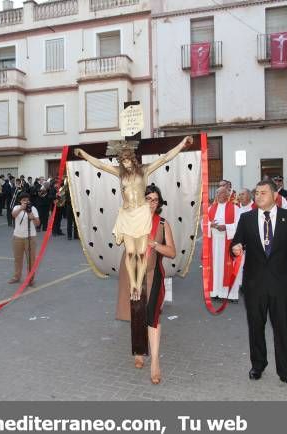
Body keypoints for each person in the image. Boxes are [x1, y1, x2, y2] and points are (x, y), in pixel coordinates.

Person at [74, 136, 191, 299]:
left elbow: (165, 157)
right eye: (122, 160)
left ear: (133, 159)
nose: (125, 163)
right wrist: (83, 154)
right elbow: (100, 164)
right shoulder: (119, 173)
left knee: (141, 252)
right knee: (130, 252)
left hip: (142, 214)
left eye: (127, 160)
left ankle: (138, 283)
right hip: (127, 215)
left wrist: (182, 144)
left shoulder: (144, 170)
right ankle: (134, 286)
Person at [231, 180, 287, 393]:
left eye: (263, 193)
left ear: (275, 196)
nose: (258, 196)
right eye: (256, 193)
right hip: (254, 284)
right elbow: (236, 243)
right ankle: (258, 365)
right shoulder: (246, 218)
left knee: (282, 329)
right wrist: (236, 248)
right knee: (256, 327)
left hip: (281, 284)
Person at [116, 185, 176, 384]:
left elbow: (172, 252)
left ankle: (155, 362)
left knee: (152, 316)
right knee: (135, 313)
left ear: (159, 203)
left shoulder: (162, 224)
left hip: (152, 275)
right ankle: (139, 351)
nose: (152, 202)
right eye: (148, 198)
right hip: (131, 273)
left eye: (155, 199)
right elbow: (120, 241)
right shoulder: (131, 219)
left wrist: (154, 245)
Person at [204, 187, 241, 302]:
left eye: (221, 193)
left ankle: (230, 294)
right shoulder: (210, 208)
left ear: (227, 195)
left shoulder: (235, 208)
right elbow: (203, 223)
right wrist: (211, 225)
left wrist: (226, 227)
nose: (219, 195)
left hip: (228, 241)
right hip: (214, 242)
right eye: (217, 193)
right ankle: (215, 292)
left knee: (228, 265)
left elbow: (239, 225)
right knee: (215, 267)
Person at [9, 192, 40, 285]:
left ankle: (30, 279)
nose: (26, 202)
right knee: (17, 258)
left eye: (27, 200)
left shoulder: (33, 209)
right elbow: (13, 215)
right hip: (17, 236)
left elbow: (38, 223)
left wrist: (32, 216)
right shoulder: (16, 208)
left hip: (30, 237)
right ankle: (16, 276)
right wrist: (21, 208)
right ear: (20, 201)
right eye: (24, 200)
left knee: (31, 259)